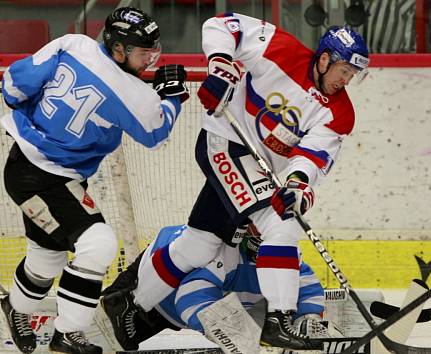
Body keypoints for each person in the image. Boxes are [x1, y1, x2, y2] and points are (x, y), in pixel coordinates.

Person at [100, 12, 369, 352]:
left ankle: (130, 303)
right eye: (345, 71)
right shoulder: (281, 48)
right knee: (280, 225)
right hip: (225, 142)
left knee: (199, 244)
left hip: (257, 167)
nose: (346, 80)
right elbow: (222, 25)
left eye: (353, 75)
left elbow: (312, 156)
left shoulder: (340, 113)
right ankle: (280, 319)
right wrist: (221, 65)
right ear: (326, 59)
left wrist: (298, 185)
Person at [0, 7, 188, 354]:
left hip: (27, 168)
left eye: (152, 49)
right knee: (98, 243)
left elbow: (14, 83)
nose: (150, 58)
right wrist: (172, 98)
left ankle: (15, 307)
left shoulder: (72, 44)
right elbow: (156, 134)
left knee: (47, 258)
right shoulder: (132, 92)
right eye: (142, 51)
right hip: (45, 178)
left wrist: (17, 103)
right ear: (118, 49)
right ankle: (68, 333)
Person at [99, 223, 329, 351]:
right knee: (118, 333)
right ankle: (115, 298)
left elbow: (305, 283)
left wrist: (309, 316)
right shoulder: (226, 252)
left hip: (177, 264)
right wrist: (231, 333)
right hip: (162, 281)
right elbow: (190, 297)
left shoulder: (286, 253)